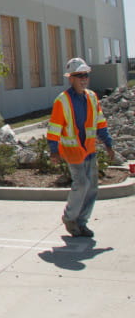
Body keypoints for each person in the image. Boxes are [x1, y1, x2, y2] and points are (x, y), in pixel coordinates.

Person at [46, 57, 117, 237]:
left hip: (89, 150)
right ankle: (70, 218)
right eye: (79, 76)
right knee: (82, 184)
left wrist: (108, 144)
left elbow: (100, 123)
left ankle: (81, 222)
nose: (84, 79)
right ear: (71, 78)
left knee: (92, 187)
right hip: (73, 152)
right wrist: (54, 150)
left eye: (86, 75)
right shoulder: (62, 100)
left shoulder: (92, 97)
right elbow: (54, 128)